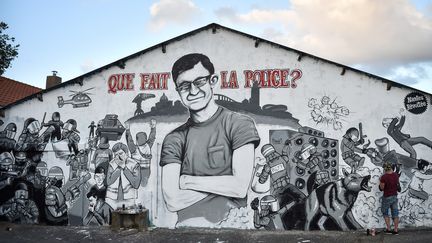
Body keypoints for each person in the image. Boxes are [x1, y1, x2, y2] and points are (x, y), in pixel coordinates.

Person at [160, 53, 260, 227]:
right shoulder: (174, 139)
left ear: (213, 81)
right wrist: (223, 186)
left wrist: (186, 181)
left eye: (199, 82)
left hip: (233, 227)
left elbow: (239, 187)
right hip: (187, 231)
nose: (193, 91)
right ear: (178, 91)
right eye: (184, 86)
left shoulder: (239, 124)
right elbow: (172, 201)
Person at [106, 142, 141, 207]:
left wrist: (124, 167)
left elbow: (136, 185)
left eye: (121, 153)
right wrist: (119, 168)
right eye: (116, 155)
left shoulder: (134, 164)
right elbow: (108, 181)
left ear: (127, 153)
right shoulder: (111, 164)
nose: (118, 157)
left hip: (129, 198)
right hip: (112, 198)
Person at [379, 162, 400, 235]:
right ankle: (396, 230)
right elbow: (397, 184)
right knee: (395, 213)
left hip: (387, 197)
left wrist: (380, 180)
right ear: (391, 167)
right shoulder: (396, 175)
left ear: (385, 168)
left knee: (385, 212)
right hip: (394, 196)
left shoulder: (384, 177)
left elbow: (382, 188)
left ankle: (388, 229)